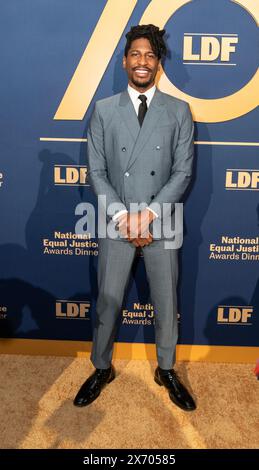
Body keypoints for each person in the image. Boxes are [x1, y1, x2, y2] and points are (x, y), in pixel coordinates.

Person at [74, 24, 196, 411]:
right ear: (125, 60)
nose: (143, 62)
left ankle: (166, 368)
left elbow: (182, 173)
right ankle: (101, 367)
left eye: (150, 55)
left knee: (166, 300)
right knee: (108, 303)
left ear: (158, 64)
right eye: (136, 54)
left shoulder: (178, 111)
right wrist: (126, 217)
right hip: (117, 220)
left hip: (162, 219)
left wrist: (148, 217)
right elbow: (96, 173)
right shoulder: (105, 110)